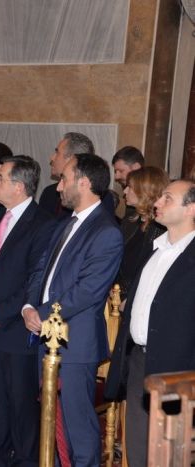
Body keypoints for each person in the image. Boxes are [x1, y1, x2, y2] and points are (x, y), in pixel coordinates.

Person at [23, 153, 123, 466]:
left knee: (77, 426)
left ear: (84, 183)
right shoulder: (66, 224)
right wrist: (28, 306)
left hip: (75, 343)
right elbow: (40, 270)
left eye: (64, 179)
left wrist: (41, 312)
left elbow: (86, 292)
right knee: (51, 423)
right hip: (47, 337)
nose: (58, 186)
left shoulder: (106, 232)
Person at [0, 156, 56, 466]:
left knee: (21, 405)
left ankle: (25, 462)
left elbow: (35, 281)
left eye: (0, 178)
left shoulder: (43, 223)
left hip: (17, 329)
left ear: (18, 186)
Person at [105, 179, 195, 467]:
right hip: (139, 362)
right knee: (138, 448)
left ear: (191, 209)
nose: (157, 203)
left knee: (169, 454)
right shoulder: (156, 247)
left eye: (167, 198)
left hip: (178, 370)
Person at [116, 167, 168, 301]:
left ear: (145, 192)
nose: (125, 191)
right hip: (118, 292)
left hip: (139, 297)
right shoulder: (130, 220)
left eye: (130, 187)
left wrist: (130, 297)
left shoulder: (162, 229)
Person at [38, 132, 110, 219]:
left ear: (72, 159)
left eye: (57, 152)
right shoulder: (49, 192)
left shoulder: (100, 198)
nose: (52, 158)